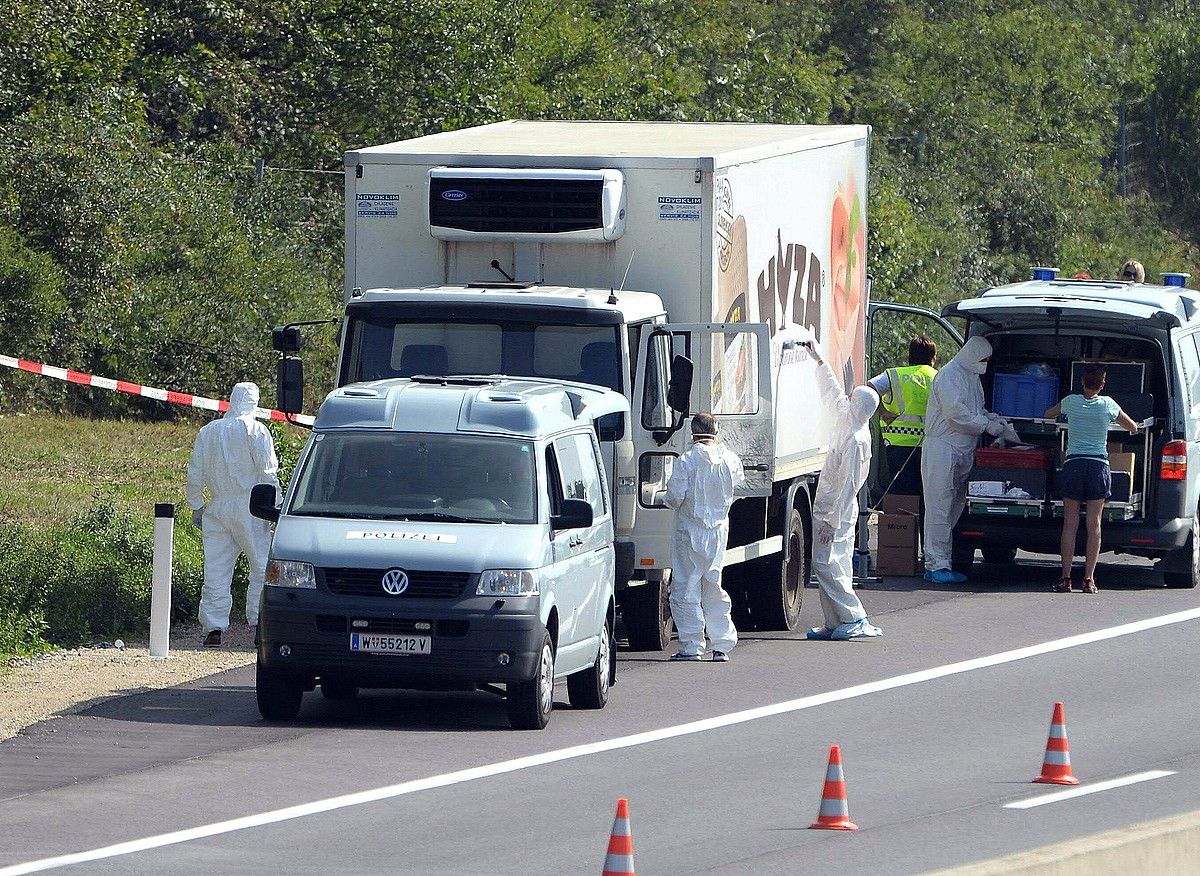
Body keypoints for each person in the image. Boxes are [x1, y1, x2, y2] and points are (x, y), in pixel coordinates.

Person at [186, 382, 280, 647]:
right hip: (252, 505)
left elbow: (195, 472)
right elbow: (267, 472)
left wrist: (196, 505)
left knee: (216, 569)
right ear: (254, 401)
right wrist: (278, 505)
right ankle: (259, 624)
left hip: (217, 507)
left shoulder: (208, 431)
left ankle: (213, 628)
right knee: (260, 565)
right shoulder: (256, 430)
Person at [804, 342, 884, 640]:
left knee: (826, 564)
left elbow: (849, 486)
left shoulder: (856, 439)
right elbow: (833, 392)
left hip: (837, 511)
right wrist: (819, 360)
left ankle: (854, 616)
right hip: (828, 507)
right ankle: (834, 620)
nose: (847, 397)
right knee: (833, 563)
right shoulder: (847, 419)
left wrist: (832, 521)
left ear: (858, 405)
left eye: (853, 397)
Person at [921, 336, 1010, 584]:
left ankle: (939, 560)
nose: (985, 364)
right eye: (983, 359)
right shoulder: (949, 376)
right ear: (972, 355)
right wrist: (986, 426)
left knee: (952, 507)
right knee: (939, 506)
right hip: (943, 448)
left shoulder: (972, 376)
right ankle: (936, 565)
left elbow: (976, 409)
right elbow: (956, 415)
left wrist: (992, 419)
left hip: (962, 449)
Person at [1045, 364, 1139, 593]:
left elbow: (1049, 414)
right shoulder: (1108, 404)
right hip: (1098, 466)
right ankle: (1089, 579)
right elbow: (1133, 427)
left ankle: (1065, 578)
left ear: (1082, 382)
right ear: (1102, 385)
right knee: (1094, 524)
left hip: (1074, 464)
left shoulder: (1070, 402)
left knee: (1070, 523)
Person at [661, 412, 743, 662]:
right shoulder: (730, 459)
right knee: (713, 584)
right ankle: (722, 644)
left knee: (685, 587)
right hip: (718, 531)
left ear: (693, 431)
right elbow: (738, 485)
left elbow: (674, 497)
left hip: (689, 530)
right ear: (716, 430)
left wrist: (664, 499)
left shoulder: (687, 460)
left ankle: (692, 644)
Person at [868, 336, 938, 496]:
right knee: (926, 492)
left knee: (901, 492)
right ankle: (922, 521)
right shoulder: (938, 377)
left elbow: (869, 388)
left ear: (910, 356)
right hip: (929, 443)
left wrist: (883, 412)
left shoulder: (895, 375)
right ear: (933, 357)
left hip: (897, 442)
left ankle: (900, 520)